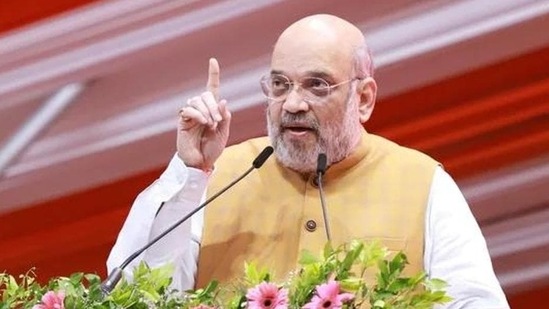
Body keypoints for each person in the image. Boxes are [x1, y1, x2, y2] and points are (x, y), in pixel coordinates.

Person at [107, 14, 509, 308]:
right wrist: (189, 171)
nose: (293, 104)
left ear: (364, 98)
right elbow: (139, 294)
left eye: (316, 85)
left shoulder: (422, 183)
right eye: (280, 85)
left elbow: (475, 303)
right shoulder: (219, 176)